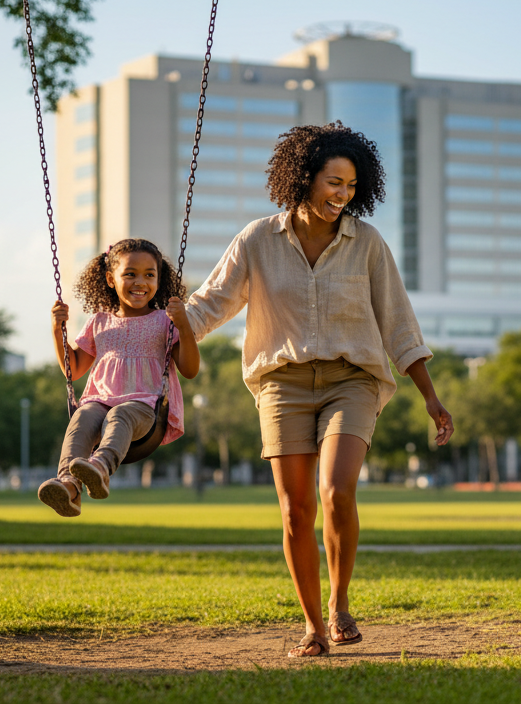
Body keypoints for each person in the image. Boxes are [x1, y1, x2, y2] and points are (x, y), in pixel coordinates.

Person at [183, 122, 454, 658]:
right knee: (294, 511)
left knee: (336, 490)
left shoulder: (366, 243)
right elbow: (208, 305)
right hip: (282, 384)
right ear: (304, 177)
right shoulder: (258, 240)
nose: (343, 195)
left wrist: (430, 395)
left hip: (351, 381)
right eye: (334, 182)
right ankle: (312, 626)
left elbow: (398, 323)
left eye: (351, 186)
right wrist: (161, 326)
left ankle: (340, 604)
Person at [37, 239, 200, 516]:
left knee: (120, 414)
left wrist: (183, 326)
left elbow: (190, 369)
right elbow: (73, 368)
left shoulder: (164, 321)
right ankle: (69, 486)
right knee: (82, 417)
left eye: (149, 274)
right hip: (100, 402)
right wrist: (57, 330)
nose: (141, 282)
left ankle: (100, 467)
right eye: (130, 274)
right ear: (111, 279)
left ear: (159, 280)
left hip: (145, 407)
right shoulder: (99, 322)